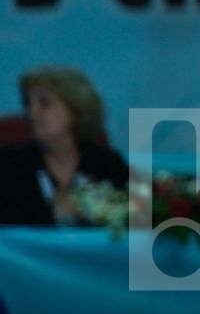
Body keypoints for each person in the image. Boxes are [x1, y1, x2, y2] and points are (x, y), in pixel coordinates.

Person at [0, 67, 129, 226]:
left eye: (45, 103)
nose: (31, 113)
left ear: (75, 110)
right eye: (28, 104)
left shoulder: (109, 163)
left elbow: (140, 217)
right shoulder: (7, 163)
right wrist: (52, 213)